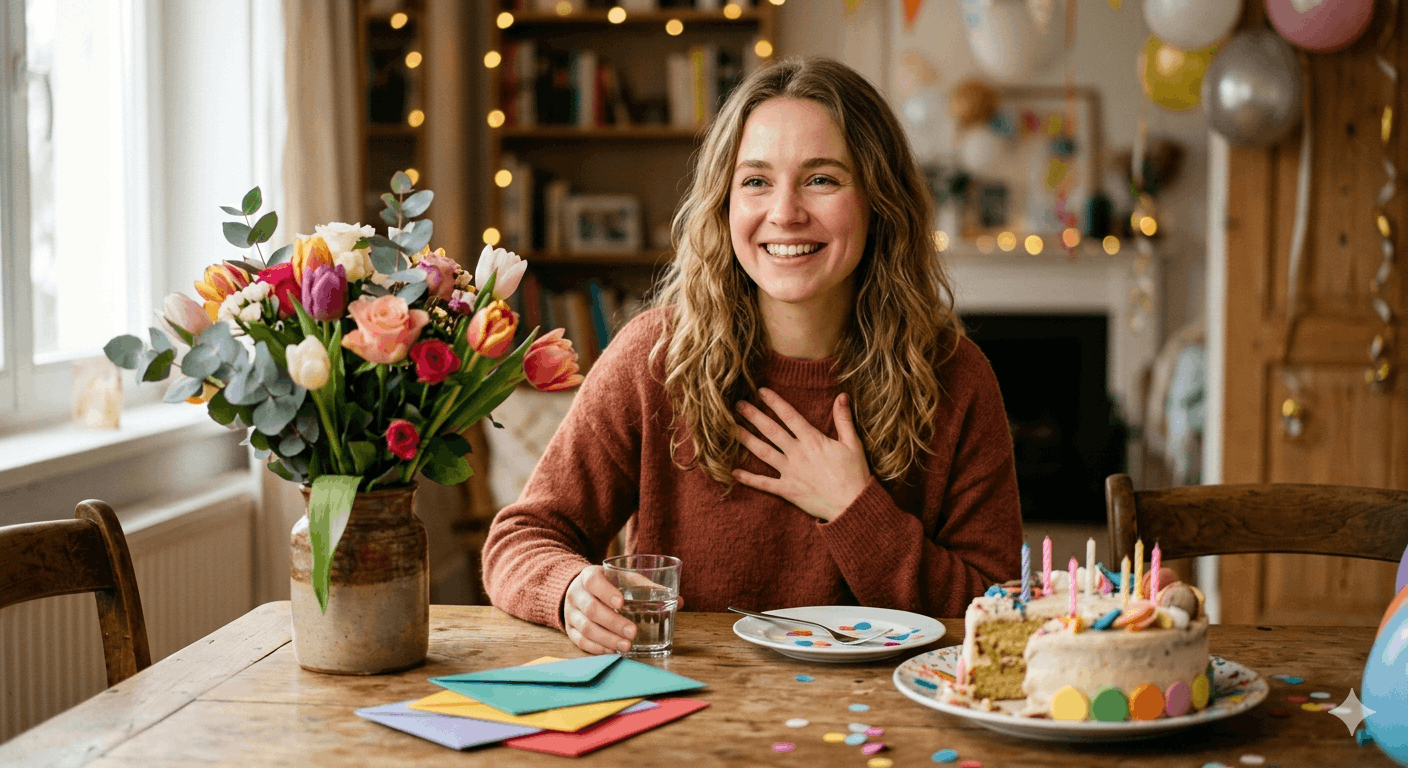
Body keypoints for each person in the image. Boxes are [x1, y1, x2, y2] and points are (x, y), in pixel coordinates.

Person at [482, 56, 1022, 655]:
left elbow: (997, 609)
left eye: (822, 179)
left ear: (879, 200)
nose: (785, 212)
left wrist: (854, 508)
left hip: (891, 725)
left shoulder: (956, 376)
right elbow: (521, 538)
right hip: (689, 717)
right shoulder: (655, 357)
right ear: (725, 203)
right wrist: (569, 589)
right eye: (757, 181)